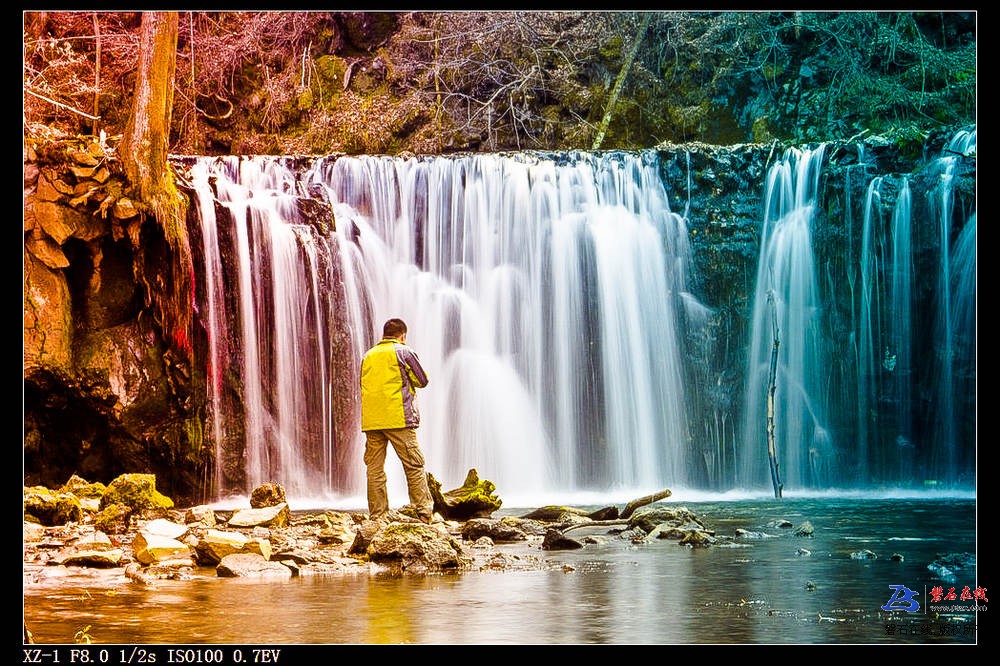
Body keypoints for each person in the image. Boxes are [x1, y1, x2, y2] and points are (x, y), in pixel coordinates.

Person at [359, 317, 435, 524]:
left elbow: (361, 383)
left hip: (373, 420)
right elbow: (422, 380)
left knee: (374, 469)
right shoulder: (404, 352)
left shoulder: (368, 356)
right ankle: (424, 512)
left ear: (383, 335)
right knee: (414, 464)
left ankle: (378, 515)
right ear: (402, 335)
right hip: (399, 418)